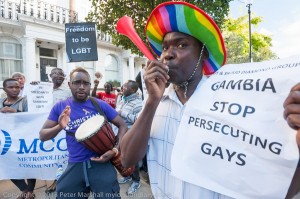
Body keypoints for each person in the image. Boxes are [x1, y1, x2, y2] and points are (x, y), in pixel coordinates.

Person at [119, 2, 300, 199]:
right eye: (164, 48)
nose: (167, 54)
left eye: (181, 45)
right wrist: (152, 102)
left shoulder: (231, 102)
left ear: (203, 54)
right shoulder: (156, 103)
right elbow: (127, 159)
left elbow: (279, 187)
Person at [39, 67, 127, 199]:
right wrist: (59, 126)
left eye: (85, 83)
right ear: (69, 84)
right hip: (75, 164)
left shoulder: (99, 104)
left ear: (90, 86)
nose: (81, 87)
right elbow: (42, 135)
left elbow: (122, 125)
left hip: (102, 163)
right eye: (77, 82)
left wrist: (115, 150)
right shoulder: (60, 107)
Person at [0, 78, 35, 199]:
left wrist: (15, 111)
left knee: (28, 166)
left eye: (17, 87)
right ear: (4, 89)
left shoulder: (25, 101)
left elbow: (33, 117)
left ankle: (30, 191)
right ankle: (24, 189)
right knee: (8, 166)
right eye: (11, 87)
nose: (15, 89)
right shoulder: (0, 101)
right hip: (7, 141)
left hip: (24, 140)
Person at [45, 67, 72, 194]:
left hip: (63, 128)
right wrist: (32, 88)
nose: (58, 76)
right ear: (50, 76)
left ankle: (59, 180)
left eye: (61, 74)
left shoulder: (68, 92)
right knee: (50, 153)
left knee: (61, 154)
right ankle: (52, 178)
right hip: (48, 128)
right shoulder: (42, 89)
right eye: (55, 73)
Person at [116, 80, 143, 195]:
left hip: (131, 135)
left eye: (125, 86)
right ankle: (128, 176)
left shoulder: (138, 103)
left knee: (132, 160)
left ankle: (136, 181)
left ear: (132, 90)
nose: (122, 87)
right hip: (121, 133)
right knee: (123, 158)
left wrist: (121, 112)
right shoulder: (123, 99)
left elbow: (138, 120)